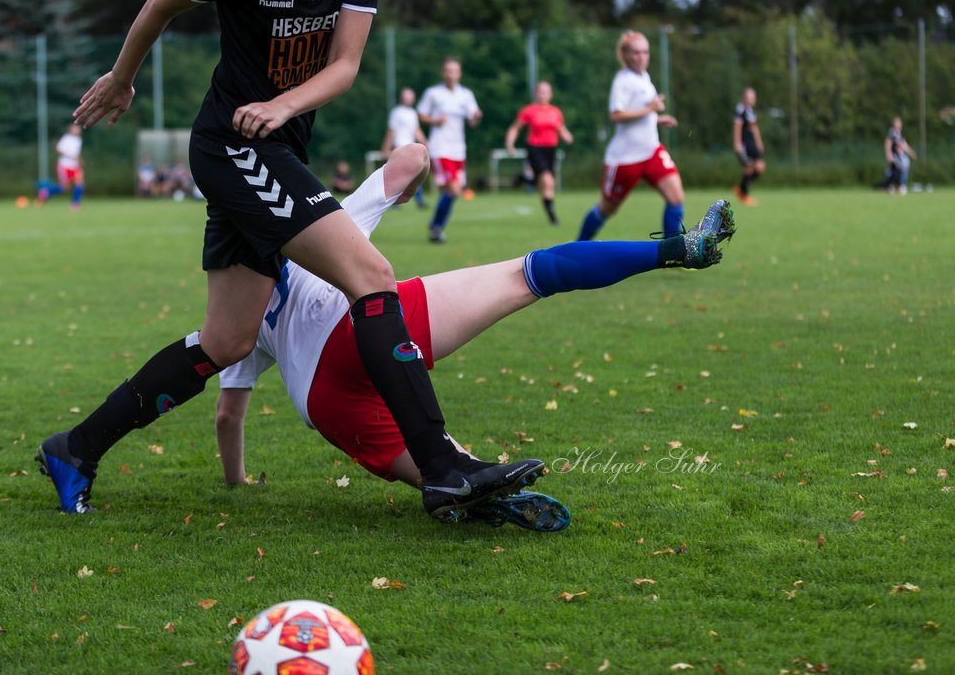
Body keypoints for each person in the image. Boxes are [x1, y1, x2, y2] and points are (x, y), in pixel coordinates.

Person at [37, 0, 539, 520]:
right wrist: (123, 79)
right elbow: (158, 4)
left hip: (273, 146)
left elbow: (345, 68)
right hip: (229, 149)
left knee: (228, 341)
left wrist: (280, 107)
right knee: (372, 276)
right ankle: (442, 465)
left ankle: (75, 447)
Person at [215, 143, 736, 529]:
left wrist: (236, 480)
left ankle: (480, 499)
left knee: (445, 472)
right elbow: (412, 157)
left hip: (323, 401)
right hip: (351, 324)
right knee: (533, 273)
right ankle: (679, 249)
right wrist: (407, 187)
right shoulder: (318, 220)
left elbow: (228, 415)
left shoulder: (236, 306)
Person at [577, 31, 683, 242]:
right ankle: (577, 247)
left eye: (645, 52)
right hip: (626, 158)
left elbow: (641, 113)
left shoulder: (644, 78)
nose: (641, 56)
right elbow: (617, 115)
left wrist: (656, 118)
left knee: (676, 198)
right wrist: (651, 108)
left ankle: (674, 252)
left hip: (651, 150)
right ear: (625, 55)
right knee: (607, 209)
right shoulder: (623, 81)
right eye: (636, 52)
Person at [417, 57, 481, 242]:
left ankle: (435, 224)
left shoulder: (466, 94)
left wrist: (476, 116)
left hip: (458, 149)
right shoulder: (433, 93)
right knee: (453, 189)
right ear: (443, 73)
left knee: (455, 191)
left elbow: (472, 120)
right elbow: (421, 115)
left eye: (454, 71)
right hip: (440, 147)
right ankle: (436, 228)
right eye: (448, 70)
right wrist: (435, 120)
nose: (451, 74)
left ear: (459, 73)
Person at [505, 80, 574, 225]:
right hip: (535, 148)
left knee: (547, 184)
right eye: (540, 92)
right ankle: (553, 218)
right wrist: (510, 143)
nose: (543, 95)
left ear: (551, 94)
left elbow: (560, 128)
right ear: (536, 94)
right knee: (547, 180)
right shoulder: (529, 111)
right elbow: (515, 128)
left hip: (551, 150)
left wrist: (567, 136)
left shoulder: (556, 112)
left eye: (546, 92)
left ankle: (525, 179)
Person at [381, 86, 427, 207]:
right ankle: (393, 202)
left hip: (411, 147)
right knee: (399, 177)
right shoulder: (396, 112)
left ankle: (419, 200)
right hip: (400, 147)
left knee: (417, 173)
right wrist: (385, 148)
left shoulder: (412, 113)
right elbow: (391, 131)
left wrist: (424, 142)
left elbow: (416, 130)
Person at [40, 124, 86, 210]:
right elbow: (58, 149)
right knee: (64, 188)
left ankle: (75, 204)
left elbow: (76, 153)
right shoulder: (66, 138)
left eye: (78, 129)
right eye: (75, 129)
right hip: (64, 165)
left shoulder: (79, 140)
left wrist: (80, 160)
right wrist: (70, 156)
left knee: (79, 183)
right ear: (71, 129)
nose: (77, 130)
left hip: (74, 166)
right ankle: (46, 192)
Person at [732, 87, 764, 206]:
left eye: (753, 98)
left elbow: (754, 128)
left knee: (760, 167)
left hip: (752, 144)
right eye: (749, 97)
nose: (751, 100)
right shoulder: (740, 111)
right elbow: (737, 128)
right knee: (749, 168)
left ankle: (741, 188)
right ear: (744, 98)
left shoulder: (751, 111)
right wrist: (737, 144)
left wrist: (759, 142)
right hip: (744, 145)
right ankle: (744, 195)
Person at [884, 116, 918, 195]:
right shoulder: (892, 132)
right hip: (894, 156)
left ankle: (892, 186)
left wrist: (911, 152)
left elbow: (903, 144)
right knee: (901, 167)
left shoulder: (898, 134)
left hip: (898, 156)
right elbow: (888, 142)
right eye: (896, 122)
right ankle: (901, 186)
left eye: (899, 122)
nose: (898, 124)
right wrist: (888, 154)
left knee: (895, 171)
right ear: (894, 124)